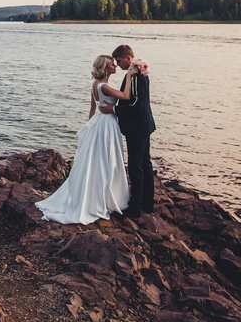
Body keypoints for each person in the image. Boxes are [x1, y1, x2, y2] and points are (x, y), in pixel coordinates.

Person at [35, 55, 133, 225]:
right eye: (112, 65)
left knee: (97, 159)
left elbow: (92, 108)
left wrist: (90, 127)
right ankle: (103, 198)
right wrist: (130, 75)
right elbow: (125, 96)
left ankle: (99, 193)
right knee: (106, 159)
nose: (115, 66)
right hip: (107, 124)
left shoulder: (95, 84)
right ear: (105, 68)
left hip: (98, 122)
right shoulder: (104, 86)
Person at [103, 44, 156, 218]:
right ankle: (148, 203)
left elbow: (137, 106)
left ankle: (135, 208)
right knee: (145, 164)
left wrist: (115, 110)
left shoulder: (134, 76)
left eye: (119, 61)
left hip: (137, 127)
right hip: (144, 125)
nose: (118, 65)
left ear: (128, 58)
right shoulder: (139, 73)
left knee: (136, 166)